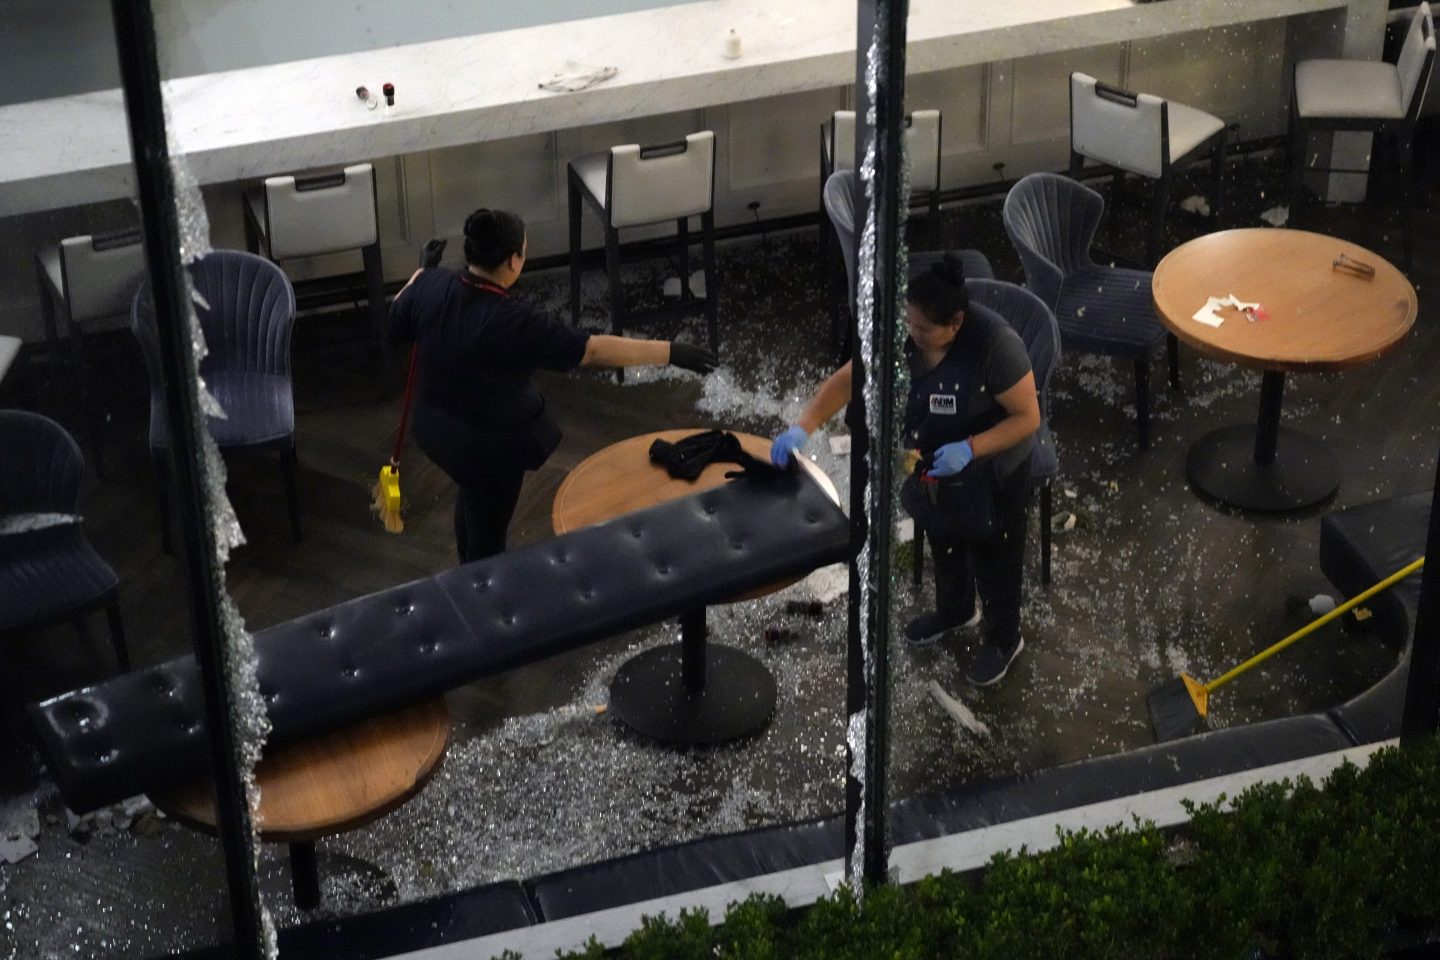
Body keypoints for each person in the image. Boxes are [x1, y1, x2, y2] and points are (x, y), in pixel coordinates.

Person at [391, 208, 719, 563]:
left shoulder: (431, 285)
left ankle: (466, 562)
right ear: (514, 261)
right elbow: (592, 350)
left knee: (472, 499)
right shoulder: (513, 322)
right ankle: (480, 591)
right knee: (487, 542)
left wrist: (422, 271)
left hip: (437, 433)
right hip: (487, 451)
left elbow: (399, 315)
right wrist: (670, 351)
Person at [771, 256, 1039, 686]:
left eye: (923, 329)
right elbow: (849, 379)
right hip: (935, 457)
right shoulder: (906, 334)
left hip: (994, 467)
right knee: (943, 534)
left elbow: (1027, 418)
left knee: (994, 555)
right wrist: (803, 426)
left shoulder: (995, 345)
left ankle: (1004, 639)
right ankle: (956, 611)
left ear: (955, 322)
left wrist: (971, 449)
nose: (912, 335)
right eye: (908, 323)